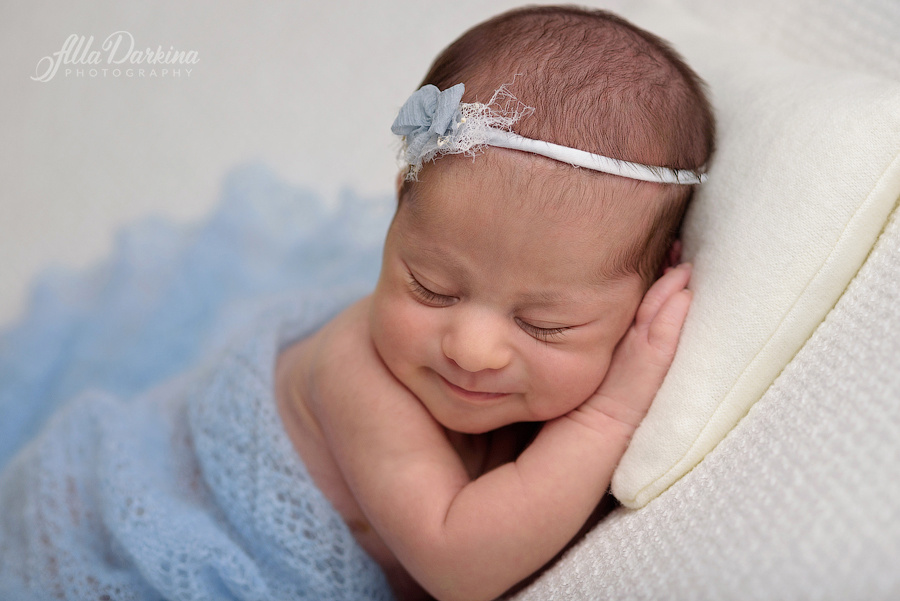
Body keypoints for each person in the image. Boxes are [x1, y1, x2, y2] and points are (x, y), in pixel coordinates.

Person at [0, 6, 714, 601]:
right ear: (399, 212)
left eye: (543, 324)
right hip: (139, 539)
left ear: (646, 293)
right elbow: (459, 560)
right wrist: (607, 413)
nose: (471, 346)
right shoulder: (359, 374)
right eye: (430, 286)